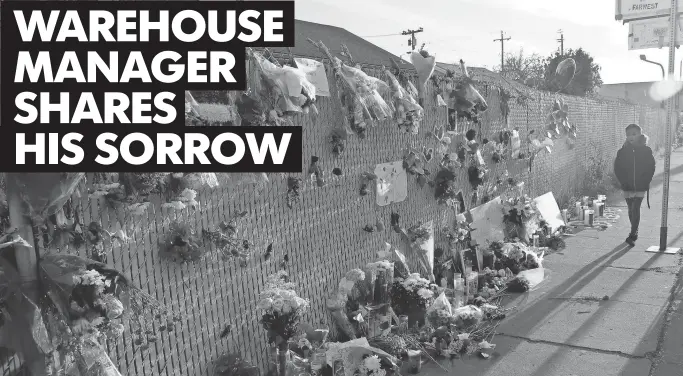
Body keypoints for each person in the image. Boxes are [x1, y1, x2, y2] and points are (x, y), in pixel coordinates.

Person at [613, 124, 656, 246]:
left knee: (635, 208)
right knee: (630, 209)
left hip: (641, 185)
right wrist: (623, 182)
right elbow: (617, 168)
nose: (631, 137)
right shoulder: (622, 151)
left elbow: (651, 167)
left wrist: (646, 181)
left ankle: (633, 234)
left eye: (634, 134)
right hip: (627, 185)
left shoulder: (646, 151)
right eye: (628, 134)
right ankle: (634, 230)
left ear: (640, 134)